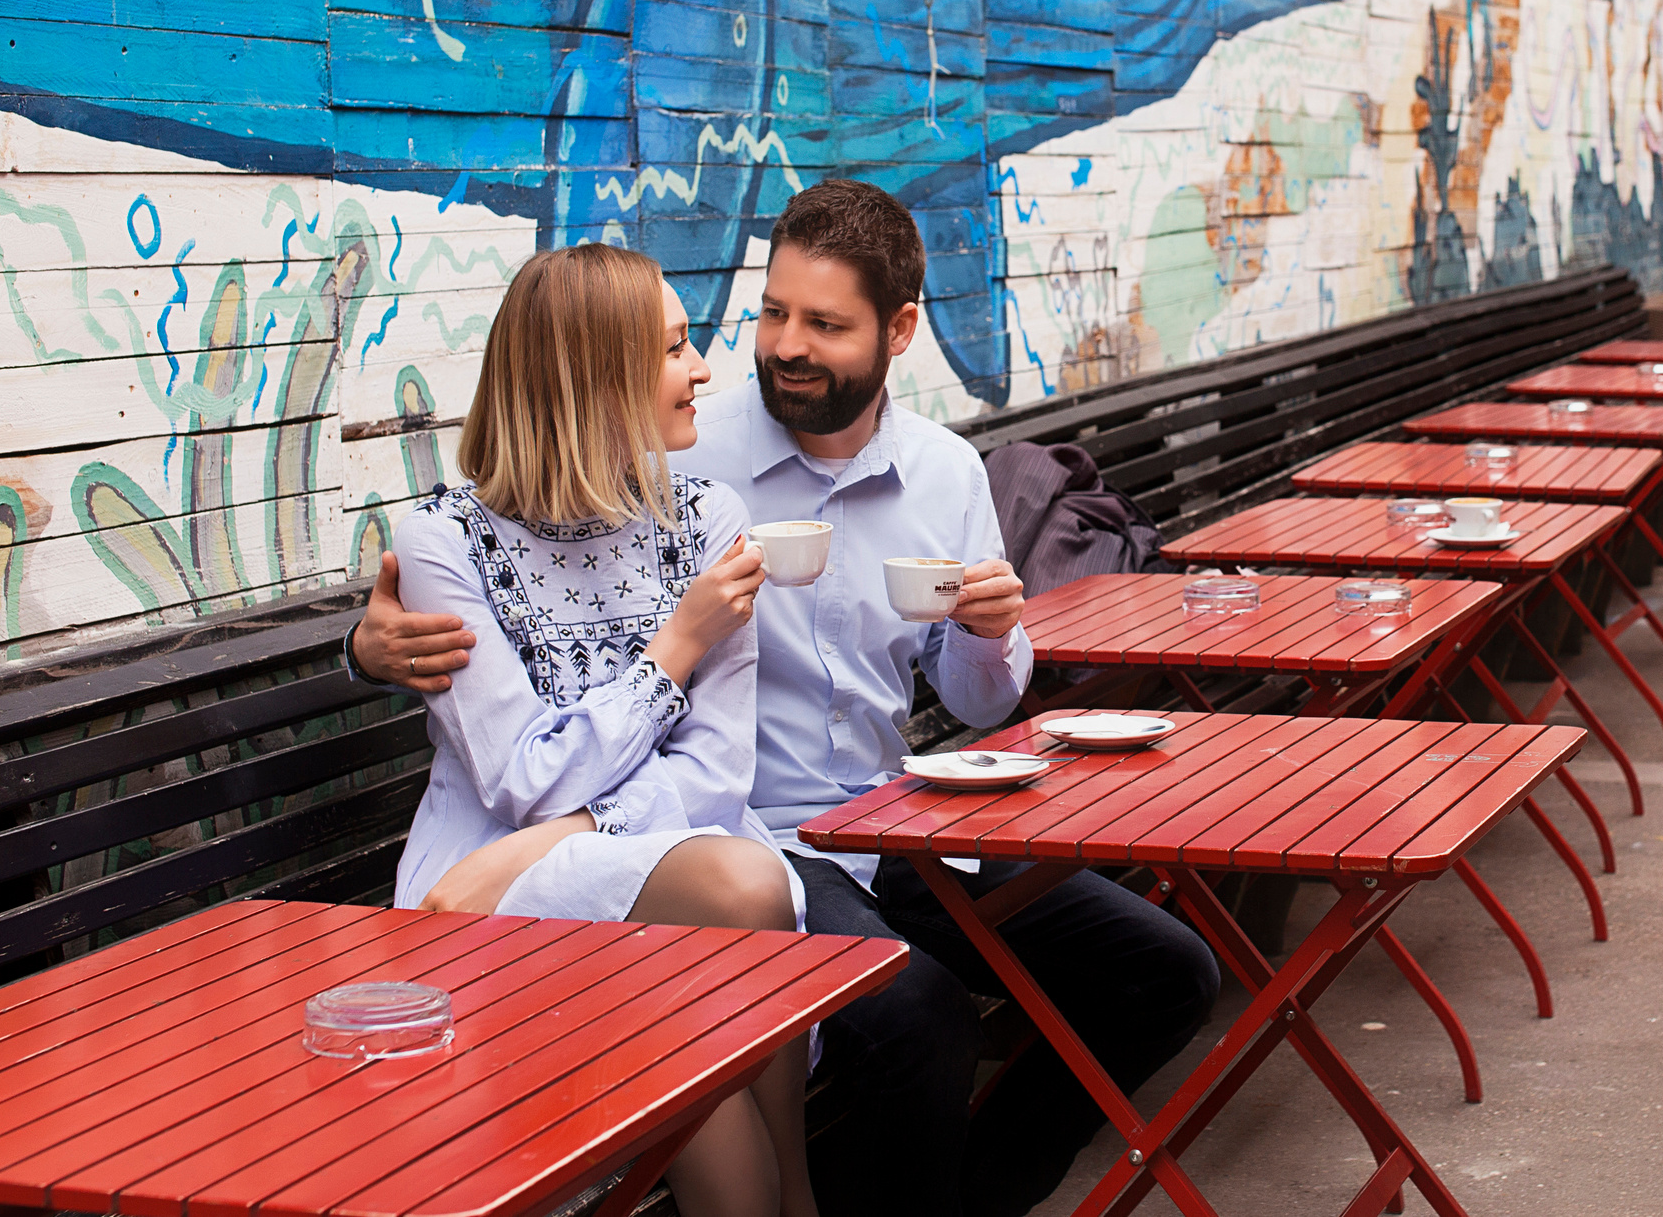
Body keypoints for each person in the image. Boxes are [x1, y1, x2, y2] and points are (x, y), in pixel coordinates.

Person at [353, 181, 1221, 1217]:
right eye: (772, 314)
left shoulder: (941, 472)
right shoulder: (684, 460)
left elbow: (979, 704)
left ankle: (976, 1197)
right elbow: (514, 545)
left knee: (1166, 972)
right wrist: (365, 647)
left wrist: (995, 635)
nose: (779, 347)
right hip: (753, 839)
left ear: (898, 330)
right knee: (917, 1022)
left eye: (822, 324)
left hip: (897, 817)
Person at [387, 242, 812, 1217]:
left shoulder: (706, 519)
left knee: (689, 1022)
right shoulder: (444, 544)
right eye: (671, 347)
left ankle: (792, 1190)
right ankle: (799, 1190)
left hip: (623, 866)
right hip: (480, 897)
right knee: (747, 882)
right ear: (596, 376)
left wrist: (561, 837)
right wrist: (675, 648)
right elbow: (519, 779)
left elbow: (715, 777)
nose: (703, 366)